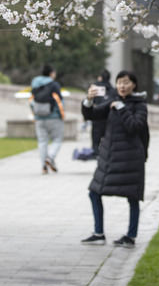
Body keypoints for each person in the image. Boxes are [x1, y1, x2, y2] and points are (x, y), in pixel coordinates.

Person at [80, 70, 150, 248]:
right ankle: (98, 233)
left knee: (132, 197)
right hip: (110, 158)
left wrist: (121, 108)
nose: (122, 86)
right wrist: (88, 100)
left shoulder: (139, 105)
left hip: (130, 159)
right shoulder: (113, 101)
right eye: (119, 82)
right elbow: (92, 115)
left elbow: (134, 126)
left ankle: (131, 236)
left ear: (134, 84)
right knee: (94, 192)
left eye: (126, 82)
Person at [30, 65, 65, 174]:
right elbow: (59, 101)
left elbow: (31, 101)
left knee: (42, 142)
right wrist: (62, 115)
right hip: (54, 117)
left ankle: (43, 167)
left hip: (39, 118)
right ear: (51, 73)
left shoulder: (35, 84)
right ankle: (50, 158)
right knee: (57, 139)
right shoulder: (54, 84)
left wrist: (35, 115)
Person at [88, 69, 115, 154]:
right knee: (108, 139)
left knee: (96, 140)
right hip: (108, 118)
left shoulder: (95, 88)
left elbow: (91, 101)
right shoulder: (112, 89)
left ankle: (96, 154)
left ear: (100, 77)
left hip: (97, 118)